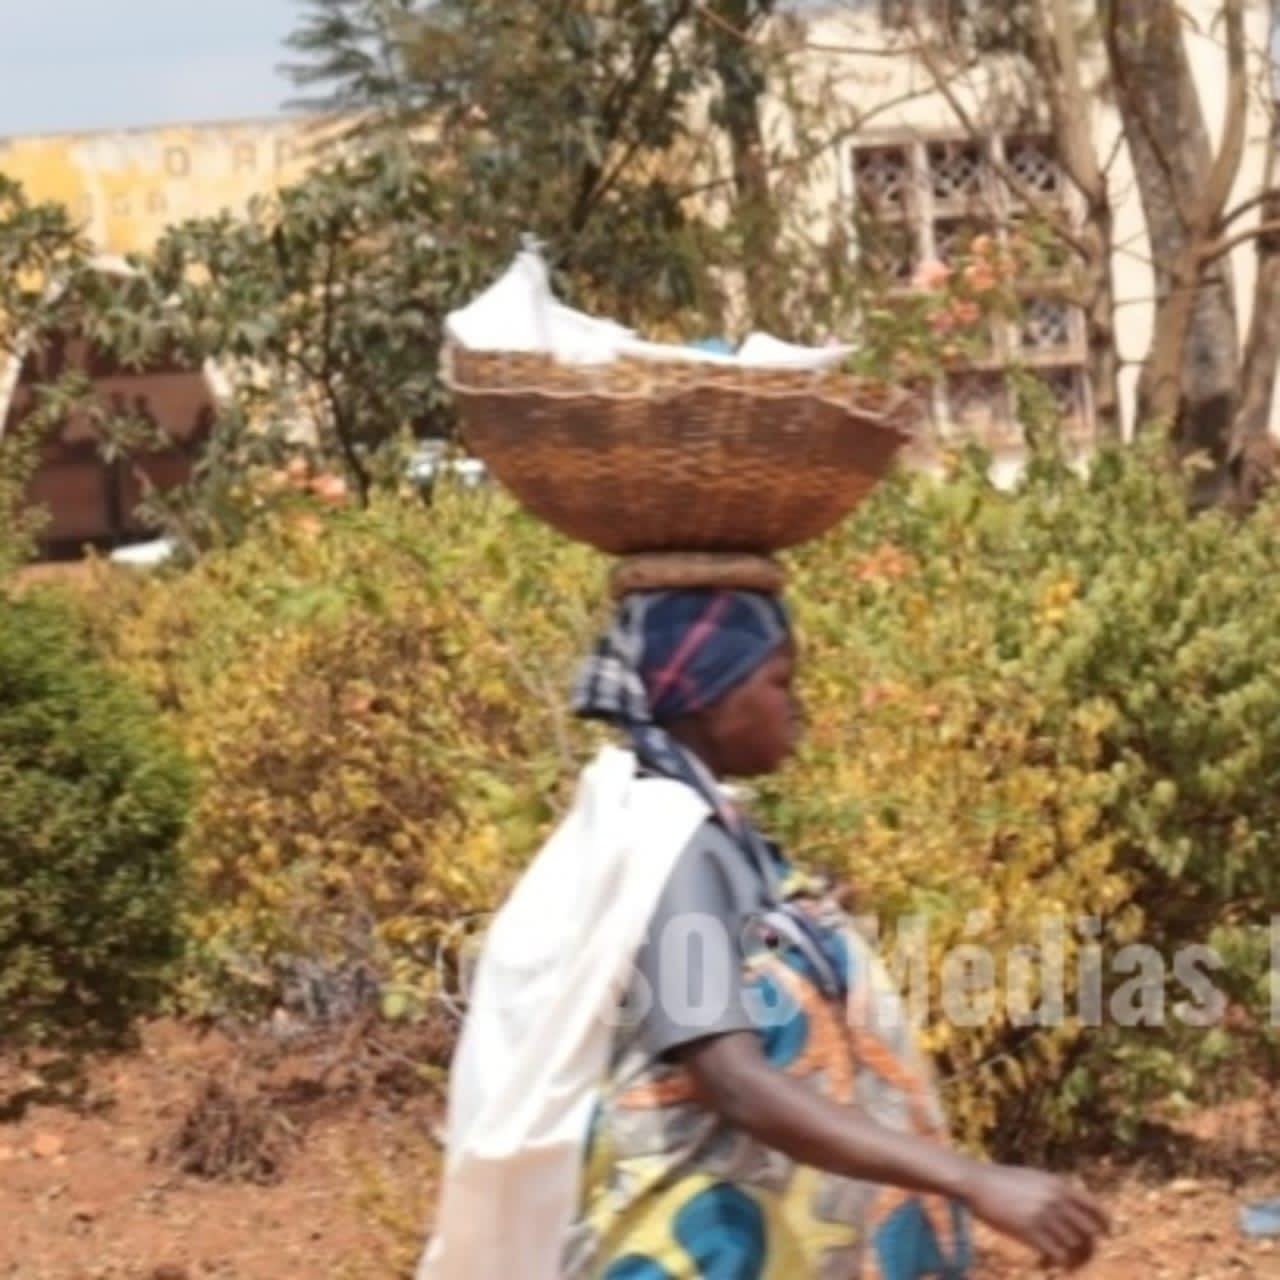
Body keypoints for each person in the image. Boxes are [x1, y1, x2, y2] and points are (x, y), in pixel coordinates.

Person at [419, 588, 1109, 1280]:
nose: (796, 706)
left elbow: (747, 966)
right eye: (778, 682)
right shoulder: (673, 841)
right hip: (694, 1249)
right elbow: (733, 1080)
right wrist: (972, 1180)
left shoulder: (709, 833)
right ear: (708, 695)